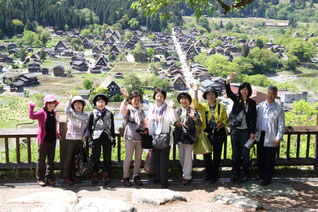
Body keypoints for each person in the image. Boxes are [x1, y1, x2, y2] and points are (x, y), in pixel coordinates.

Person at [191, 84, 228, 183]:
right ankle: (208, 175)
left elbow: (225, 118)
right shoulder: (204, 107)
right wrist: (195, 91)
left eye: (212, 94)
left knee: (217, 156)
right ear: (206, 97)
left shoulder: (221, 107)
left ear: (215, 95)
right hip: (206, 133)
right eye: (208, 94)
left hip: (218, 133)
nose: (210, 96)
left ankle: (214, 176)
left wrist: (222, 123)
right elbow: (195, 104)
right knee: (206, 156)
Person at [226, 72, 257, 183]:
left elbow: (254, 118)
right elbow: (229, 92)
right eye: (242, 89)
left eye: (246, 89)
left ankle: (245, 174)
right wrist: (228, 81)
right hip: (235, 130)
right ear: (239, 90)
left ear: (249, 91)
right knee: (235, 153)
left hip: (246, 131)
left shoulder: (252, 103)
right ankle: (235, 173)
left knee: (245, 153)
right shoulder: (237, 99)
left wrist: (252, 132)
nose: (244, 91)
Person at [256, 85, 285, 186]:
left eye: (272, 94)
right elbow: (256, 121)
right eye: (268, 93)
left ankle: (267, 178)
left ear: (276, 95)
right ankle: (261, 174)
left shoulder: (279, 109)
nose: (270, 95)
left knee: (270, 159)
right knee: (260, 157)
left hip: (272, 136)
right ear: (265, 94)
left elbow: (281, 125)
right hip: (260, 135)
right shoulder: (260, 106)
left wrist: (278, 138)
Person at [29, 95, 61, 186]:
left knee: (51, 160)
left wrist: (57, 135)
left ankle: (49, 177)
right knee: (41, 160)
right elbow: (32, 116)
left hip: (52, 140)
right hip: (43, 141)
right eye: (49, 103)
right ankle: (40, 178)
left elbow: (53, 126)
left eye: (52, 103)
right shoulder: (41, 113)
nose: (51, 104)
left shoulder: (54, 112)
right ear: (45, 104)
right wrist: (31, 106)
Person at [147, 88, 175, 188]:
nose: (159, 98)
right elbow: (149, 123)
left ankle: (164, 181)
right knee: (156, 159)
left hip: (164, 136)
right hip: (154, 136)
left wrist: (172, 109)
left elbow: (173, 121)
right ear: (154, 97)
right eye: (158, 95)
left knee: (164, 160)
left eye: (162, 96)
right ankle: (157, 177)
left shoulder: (168, 108)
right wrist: (149, 136)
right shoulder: (152, 108)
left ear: (164, 98)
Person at [120, 89, 147, 187]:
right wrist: (125, 97)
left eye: (138, 100)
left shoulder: (141, 110)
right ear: (131, 100)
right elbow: (122, 111)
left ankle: (136, 176)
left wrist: (146, 130)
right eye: (134, 99)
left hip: (139, 137)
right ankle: (125, 177)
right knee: (128, 158)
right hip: (130, 136)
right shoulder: (128, 109)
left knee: (138, 158)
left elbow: (145, 122)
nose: (136, 102)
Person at [173, 92, 202, 185]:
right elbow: (172, 122)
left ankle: (187, 176)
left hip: (189, 137)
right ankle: (186, 172)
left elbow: (199, 124)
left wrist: (194, 117)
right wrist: (175, 124)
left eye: (185, 99)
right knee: (181, 156)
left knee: (187, 157)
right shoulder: (177, 111)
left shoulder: (193, 110)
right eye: (181, 99)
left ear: (189, 101)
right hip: (179, 136)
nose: (183, 100)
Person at [87, 93, 116, 185]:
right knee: (95, 157)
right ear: (96, 104)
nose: (100, 104)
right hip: (96, 138)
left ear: (105, 103)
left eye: (102, 102)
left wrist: (113, 139)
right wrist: (90, 140)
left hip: (107, 137)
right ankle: (95, 173)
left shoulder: (109, 113)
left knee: (107, 157)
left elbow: (112, 127)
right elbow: (89, 128)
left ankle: (106, 173)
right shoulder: (92, 113)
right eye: (98, 102)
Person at [63, 92, 89, 185]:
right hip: (71, 138)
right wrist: (70, 100)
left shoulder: (86, 116)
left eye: (79, 104)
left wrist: (85, 136)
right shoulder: (71, 113)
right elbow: (66, 111)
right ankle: (66, 176)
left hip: (80, 140)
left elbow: (88, 128)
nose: (78, 106)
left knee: (76, 159)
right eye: (75, 104)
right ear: (73, 105)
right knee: (69, 158)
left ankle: (74, 175)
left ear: (82, 105)